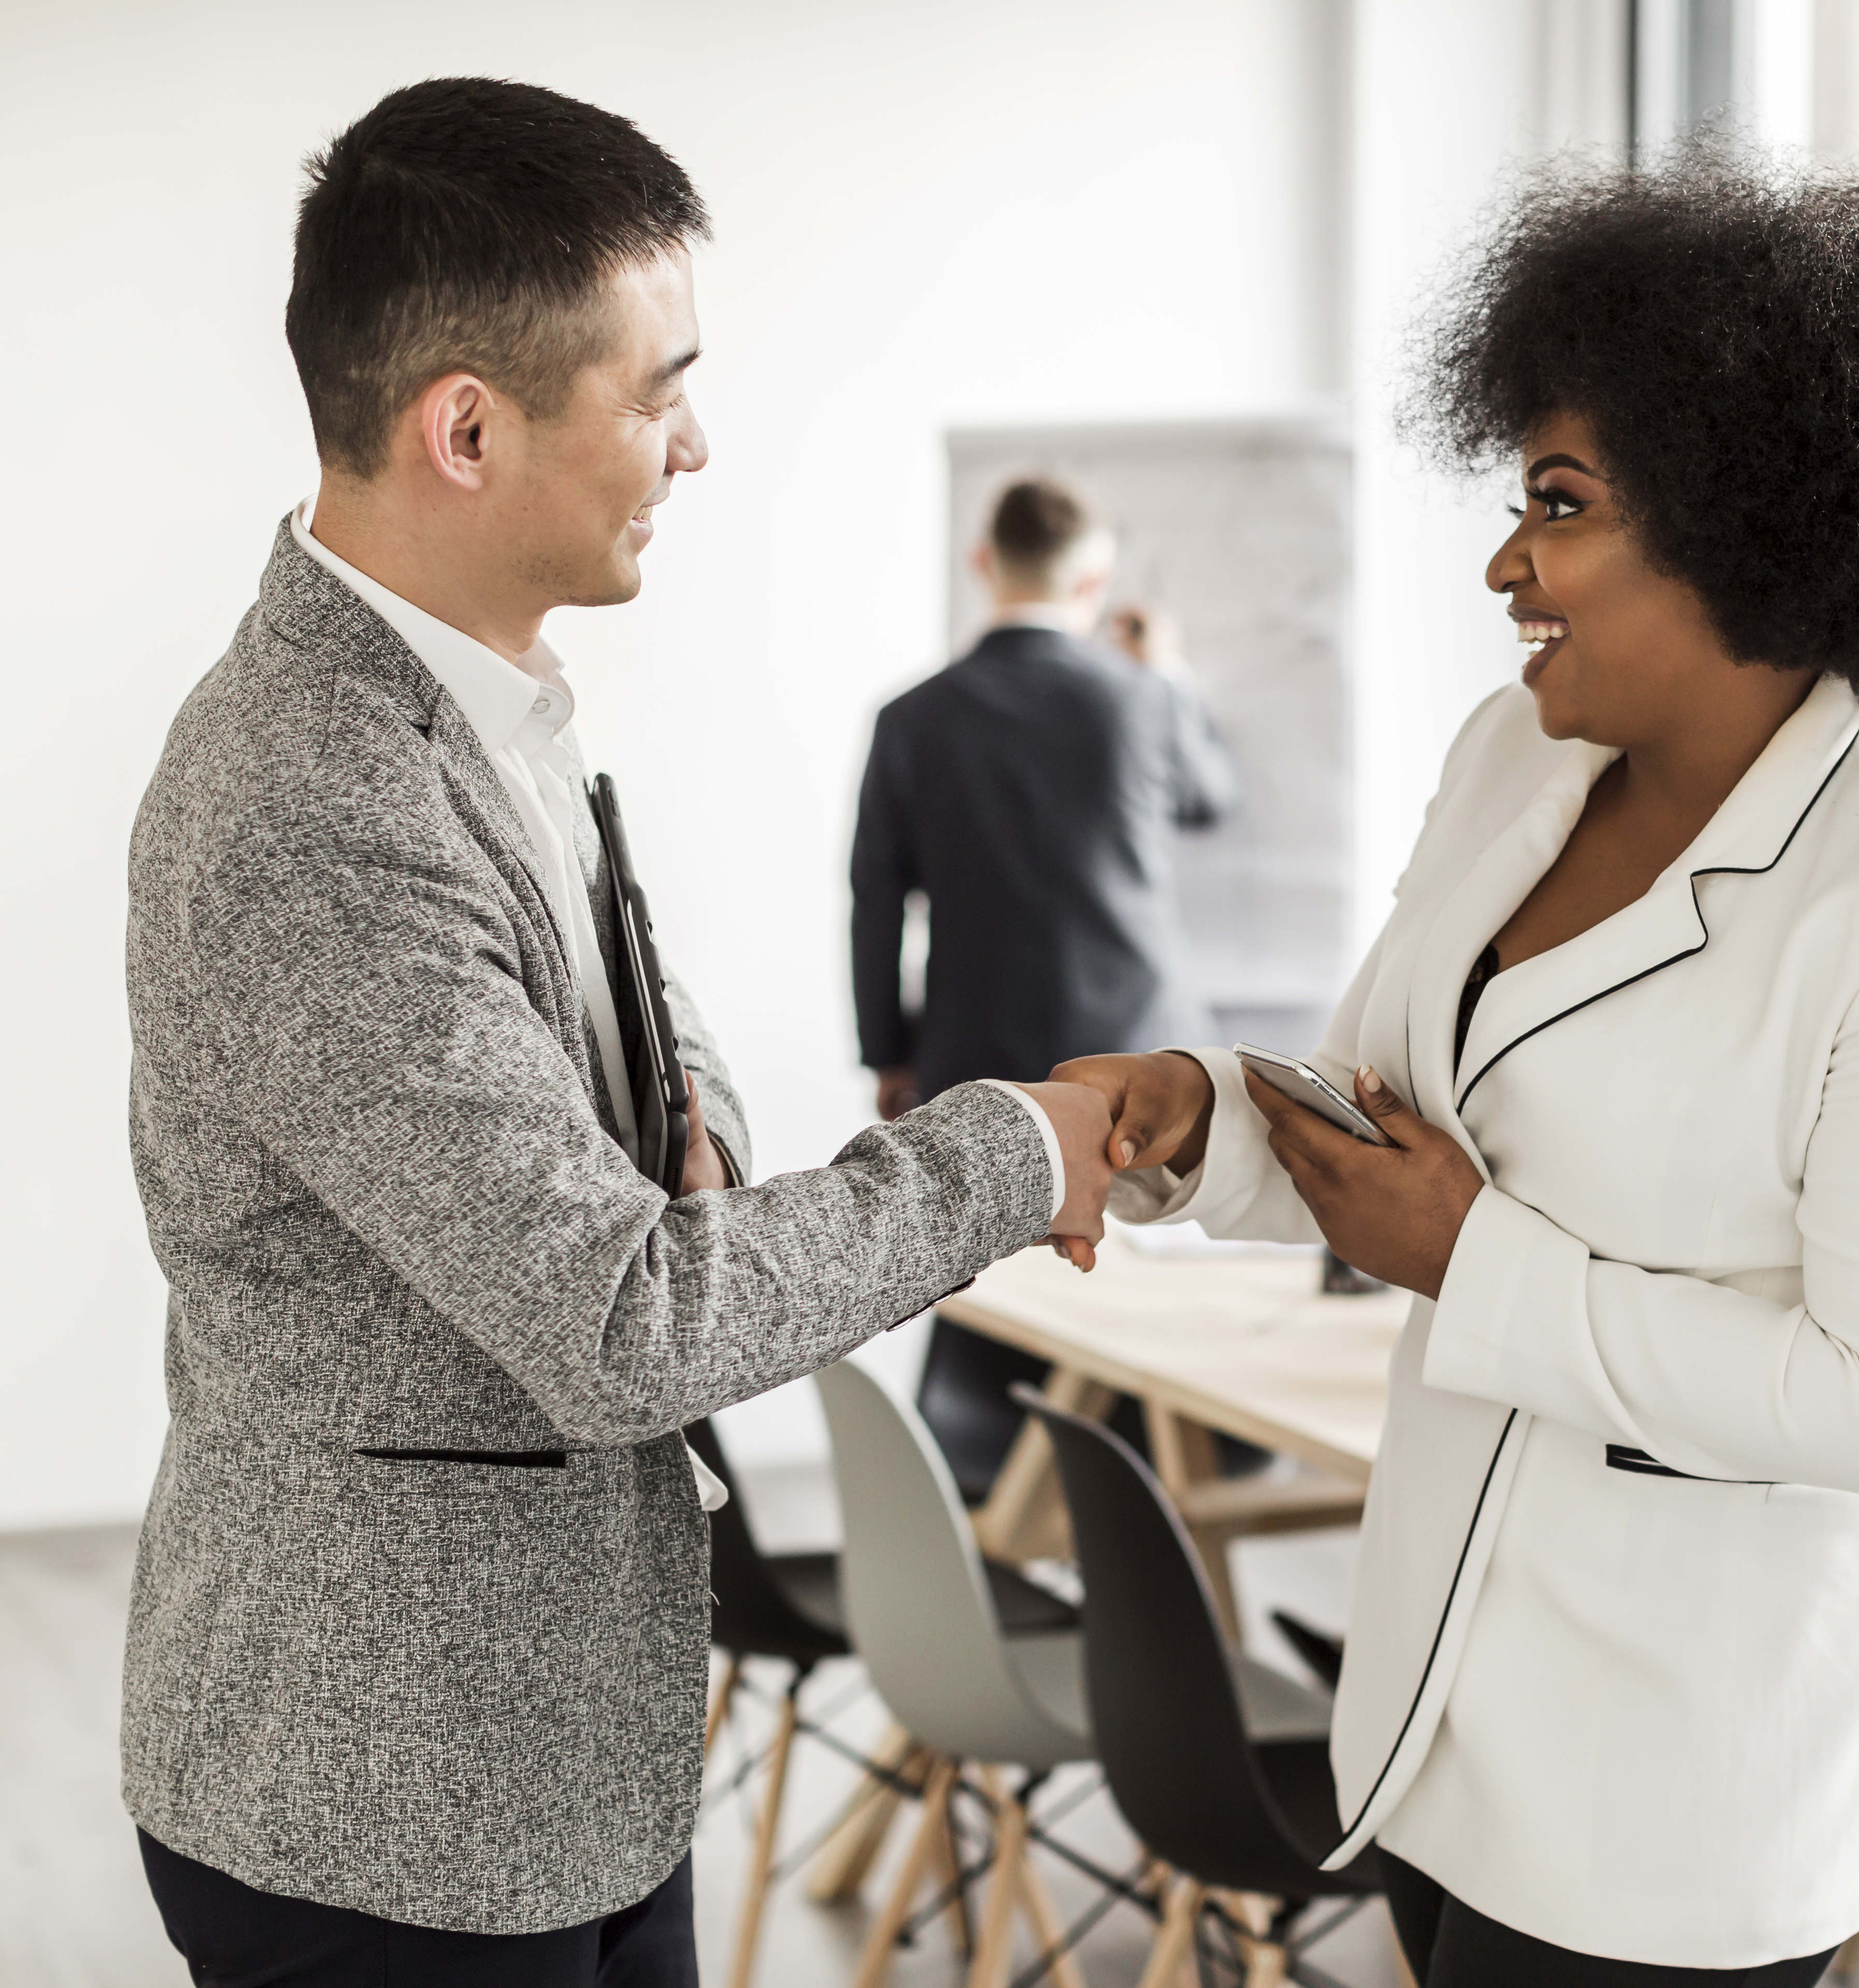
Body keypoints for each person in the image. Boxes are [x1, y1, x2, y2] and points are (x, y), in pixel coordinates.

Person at [1059, 149, 1859, 1983]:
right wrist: (1196, 1116)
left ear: (1749, 522)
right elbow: (1379, 1125)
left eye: (1555, 503)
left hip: (1681, 1797)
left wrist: (1474, 1265)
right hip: (1436, 1715)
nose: (1503, 561)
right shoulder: (1509, 762)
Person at [122, 80, 1113, 1985]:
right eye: (658, 387)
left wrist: (702, 1160)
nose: (697, 442)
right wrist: (1023, 1148)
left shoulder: (490, 703)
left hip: (565, 1764)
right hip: (381, 1820)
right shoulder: (310, 804)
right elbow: (627, 1325)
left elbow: (656, 1050)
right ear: (468, 428)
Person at [851, 475, 1238, 1497]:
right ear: (1095, 579)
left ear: (983, 564)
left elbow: (875, 900)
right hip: (1144, 1047)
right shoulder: (1143, 696)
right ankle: (1141, 1508)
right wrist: (1175, 673)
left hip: (976, 1048)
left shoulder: (910, 717)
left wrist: (886, 1052)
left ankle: (985, 1498)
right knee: (1139, 1294)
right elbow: (1210, 800)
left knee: (990, 1293)